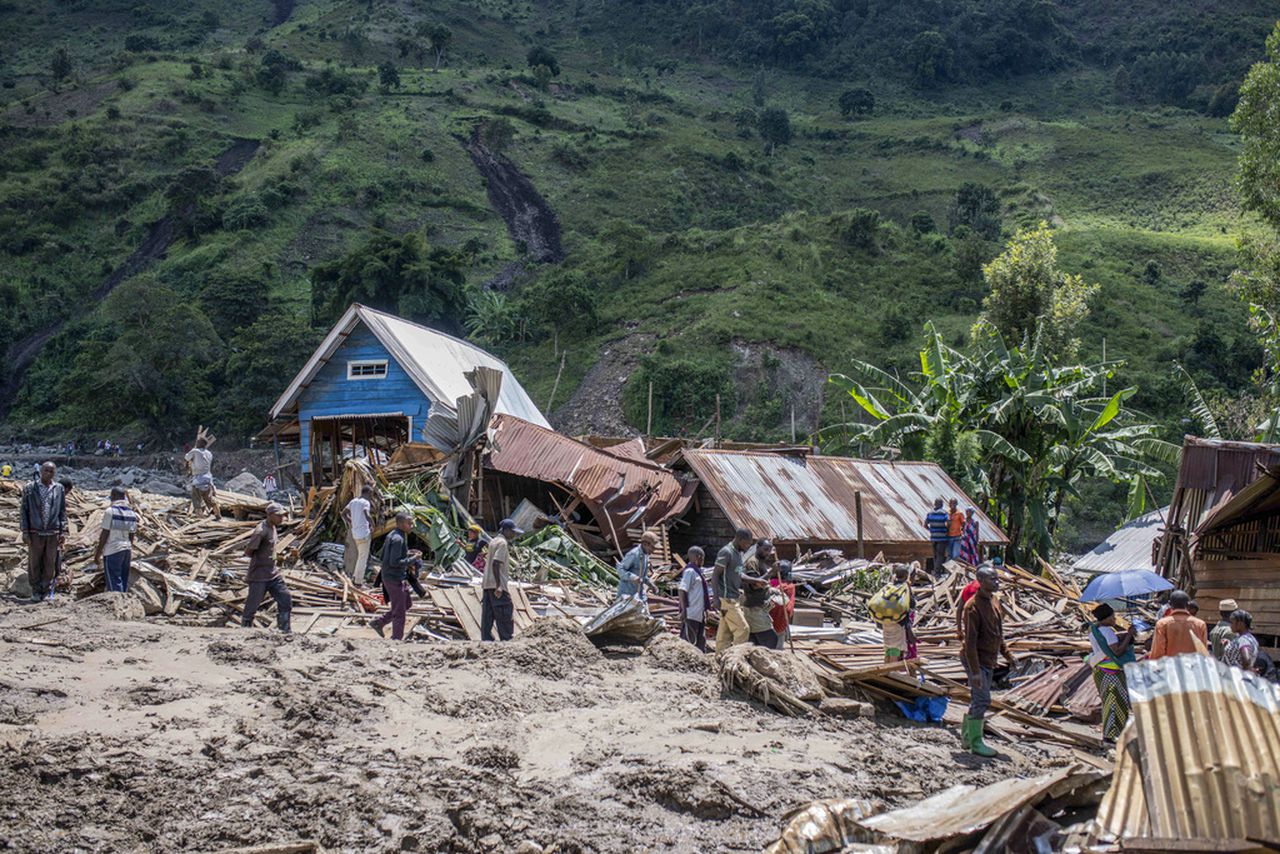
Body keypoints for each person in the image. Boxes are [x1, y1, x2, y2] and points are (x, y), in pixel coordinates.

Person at [961, 566, 1016, 757]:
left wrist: (1007, 655)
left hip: (989, 658)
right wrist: (975, 672)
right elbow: (969, 644)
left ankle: (967, 737)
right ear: (981, 582)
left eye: (997, 579)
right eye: (993, 579)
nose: (997, 582)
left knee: (978, 699)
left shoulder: (994, 601)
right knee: (983, 699)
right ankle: (976, 742)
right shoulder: (972, 607)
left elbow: (998, 633)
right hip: (975, 659)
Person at [1087, 603, 1137, 744]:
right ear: (1106, 618)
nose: (1115, 619)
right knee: (1115, 703)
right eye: (1112, 616)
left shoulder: (1093, 629)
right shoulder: (1108, 632)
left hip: (1099, 670)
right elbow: (1117, 651)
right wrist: (1129, 635)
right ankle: (1109, 736)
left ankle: (1115, 734)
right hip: (1111, 672)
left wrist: (1122, 634)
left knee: (1110, 701)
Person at [19, 462, 67, 603]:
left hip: (52, 532)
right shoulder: (30, 488)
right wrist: (25, 531)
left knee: (49, 562)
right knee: (34, 562)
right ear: (41, 471)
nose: (48, 473)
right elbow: (24, 511)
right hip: (35, 531)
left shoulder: (59, 489)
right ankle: (35, 590)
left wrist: (63, 531)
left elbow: (62, 511)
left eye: (51, 471)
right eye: (46, 470)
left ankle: (45, 590)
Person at [241, 503, 292, 633]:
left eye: (283, 516)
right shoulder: (261, 531)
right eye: (279, 516)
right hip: (259, 575)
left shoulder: (273, 527)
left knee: (285, 598)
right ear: (269, 515)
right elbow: (248, 551)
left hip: (272, 573)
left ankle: (285, 630)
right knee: (252, 605)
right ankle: (244, 631)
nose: (282, 519)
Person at [372, 512, 421, 640]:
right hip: (393, 578)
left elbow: (387, 556)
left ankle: (380, 622)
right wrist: (413, 559)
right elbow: (395, 562)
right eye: (409, 523)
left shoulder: (394, 535)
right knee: (400, 613)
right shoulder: (398, 539)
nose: (411, 526)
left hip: (395, 577)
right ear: (400, 524)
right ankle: (396, 639)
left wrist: (408, 553)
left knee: (406, 603)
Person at [713, 528, 753, 652]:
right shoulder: (726, 552)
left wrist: (760, 580)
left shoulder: (738, 555)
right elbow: (715, 575)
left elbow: (740, 575)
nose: (748, 547)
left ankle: (719, 660)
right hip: (727, 598)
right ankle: (736, 659)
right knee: (743, 629)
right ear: (740, 539)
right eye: (747, 544)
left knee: (725, 634)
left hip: (734, 598)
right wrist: (715, 598)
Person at [481, 519, 520, 642]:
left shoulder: (493, 541)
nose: (514, 535)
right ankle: (506, 640)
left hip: (487, 585)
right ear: (506, 530)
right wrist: (499, 585)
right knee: (505, 613)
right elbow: (496, 563)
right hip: (497, 585)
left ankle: (487, 641)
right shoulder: (502, 543)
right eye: (512, 532)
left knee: (488, 616)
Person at [94, 487, 138, 593]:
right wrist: (128, 547)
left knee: (114, 581)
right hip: (126, 549)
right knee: (123, 579)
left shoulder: (110, 511)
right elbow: (132, 535)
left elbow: (105, 534)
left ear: (113, 496)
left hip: (112, 550)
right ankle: (124, 603)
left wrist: (98, 554)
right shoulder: (131, 513)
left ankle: (117, 605)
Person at [872, 565, 914, 662]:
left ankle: (886, 668)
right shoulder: (904, 587)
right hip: (898, 621)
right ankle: (892, 671)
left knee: (888, 646)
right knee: (896, 647)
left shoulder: (889, 586)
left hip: (885, 620)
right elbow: (910, 604)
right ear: (906, 576)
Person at [1149, 590, 1207, 660]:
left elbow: (1158, 652)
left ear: (1170, 604)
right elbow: (1203, 652)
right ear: (1188, 605)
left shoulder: (1162, 624)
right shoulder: (1200, 624)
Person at [678, 546, 711, 652]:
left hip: (699, 614)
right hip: (691, 612)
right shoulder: (690, 571)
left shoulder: (698, 572)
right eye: (703, 558)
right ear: (699, 557)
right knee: (688, 642)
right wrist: (683, 610)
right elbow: (682, 590)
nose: (703, 561)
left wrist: (704, 611)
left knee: (700, 641)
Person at [341, 486, 376, 587]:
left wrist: (351, 521)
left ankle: (355, 577)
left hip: (355, 534)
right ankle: (358, 582)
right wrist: (373, 525)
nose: (371, 496)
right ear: (368, 493)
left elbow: (344, 513)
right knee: (362, 559)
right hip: (364, 534)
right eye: (371, 494)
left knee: (360, 556)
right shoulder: (366, 502)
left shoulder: (353, 501)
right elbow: (367, 514)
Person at [742, 573, 784, 648]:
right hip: (760, 621)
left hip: (751, 620)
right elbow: (783, 601)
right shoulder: (760, 591)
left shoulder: (746, 594)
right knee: (770, 644)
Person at [617, 531, 659, 600]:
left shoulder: (645, 556)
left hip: (638, 595)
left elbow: (643, 577)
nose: (654, 550)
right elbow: (620, 570)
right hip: (626, 595)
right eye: (653, 548)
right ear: (645, 544)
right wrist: (633, 577)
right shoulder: (634, 554)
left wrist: (651, 585)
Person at [184, 438, 217, 516]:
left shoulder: (195, 451)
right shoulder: (209, 453)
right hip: (208, 479)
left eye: (197, 442)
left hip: (198, 479)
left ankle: (200, 516)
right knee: (209, 499)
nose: (196, 443)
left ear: (200, 444)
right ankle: (218, 514)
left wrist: (192, 451)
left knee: (196, 499)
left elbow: (186, 457)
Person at [769, 560, 797, 650]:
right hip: (781, 618)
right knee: (778, 643)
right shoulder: (789, 586)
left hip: (770, 618)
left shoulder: (770, 584)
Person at [924, 499, 951, 576]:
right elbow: (948, 523)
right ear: (942, 504)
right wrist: (947, 530)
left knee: (935, 554)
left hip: (933, 537)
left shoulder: (930, 513)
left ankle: (936, 571)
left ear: (935, 504)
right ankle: (937, 571)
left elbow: (925, 524)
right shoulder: (944, 513)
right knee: (940, 555)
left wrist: (931, 530)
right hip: (942, 537)